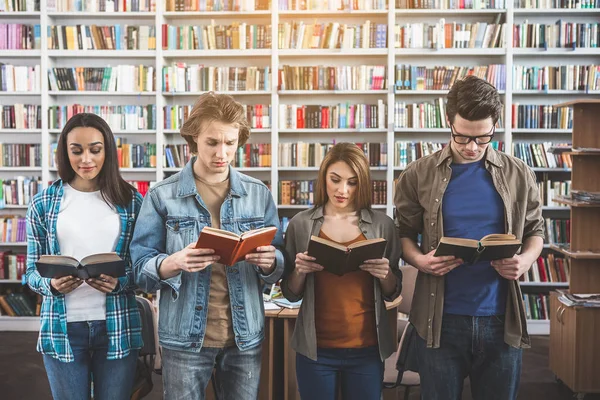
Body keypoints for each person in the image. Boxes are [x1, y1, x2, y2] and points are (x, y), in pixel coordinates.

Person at [394, 75, 545, 400]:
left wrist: (525, 260)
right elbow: (402, 234)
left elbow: (536, 232)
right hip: (440, 320)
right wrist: (420, 260)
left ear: (495, 126)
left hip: (500, 319)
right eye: (462, 137)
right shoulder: (419, 174)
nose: (472, 147)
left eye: (483, 138)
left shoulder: (518, 174)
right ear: (448, 122)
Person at [130, 92, 285, 400]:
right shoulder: (163, 195)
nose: (222, 152)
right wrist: (173, 262)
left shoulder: (258, 194)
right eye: (212, 142)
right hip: (184, 338)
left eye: (230, 143)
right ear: (194, 138)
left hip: (244, 336)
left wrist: (270, 261)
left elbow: (278, 262)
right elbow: (138, 270)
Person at [25, 113, 143, 400]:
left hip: (117, 327)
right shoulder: (44, 203)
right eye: (76, 151)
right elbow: (30, 271)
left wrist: (120, 282)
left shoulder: (131, 201)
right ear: (65, 152)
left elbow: (144, 267)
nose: (86, 159)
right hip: (62, 329)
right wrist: (49, 286)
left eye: (95, 149)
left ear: (108, 151)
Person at [281, 142, 402, 400]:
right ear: (323, 176)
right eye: (335, 179)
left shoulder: (383, 225)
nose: (342, 190)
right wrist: (300, 271)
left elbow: (393, 293)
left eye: (352, 182)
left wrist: (386, 274)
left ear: (363, 184)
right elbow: (290, 294)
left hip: (367, 349)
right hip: (315, 350)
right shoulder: (300, 224)